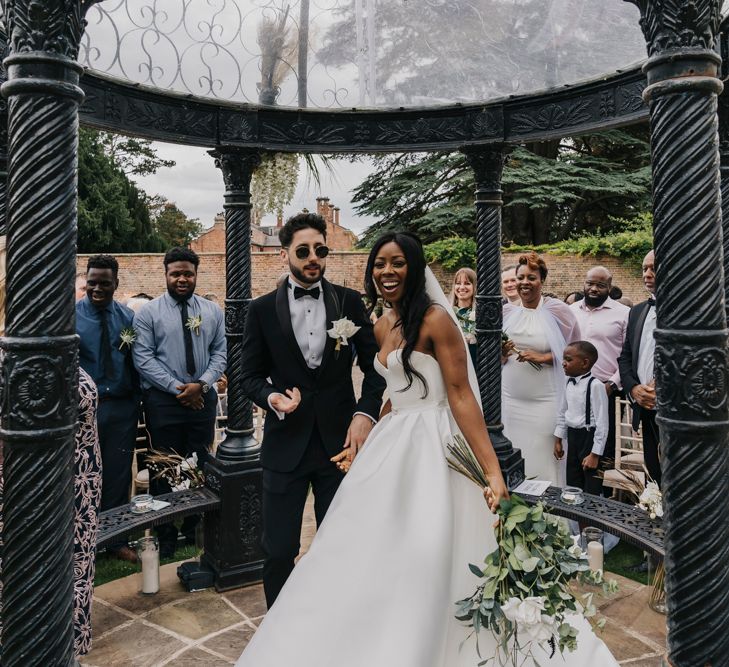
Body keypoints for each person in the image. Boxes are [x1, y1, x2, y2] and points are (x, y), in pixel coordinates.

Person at [236, 232, 617, 667]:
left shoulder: (436, 319)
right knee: (365, 550)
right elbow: (392, 390)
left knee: (429, 548)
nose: (386, 272)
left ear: (414, 267)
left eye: (396, 263)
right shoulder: (382, 324)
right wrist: (366, 429)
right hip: (390, 445)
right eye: (379, 264)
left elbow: (460, 395)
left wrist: (492, 472)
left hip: (437, 446)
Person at [240, 213, 385, 607]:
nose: (312, 258)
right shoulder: (262, 310)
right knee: (279, 549)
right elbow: (248, 376)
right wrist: (273, 399)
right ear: (284, 253)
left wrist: (365, 414)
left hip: (339, 445)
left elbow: (376, 369)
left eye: (320, 250)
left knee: (339, 543)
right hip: (284, 445)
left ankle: (333, 625)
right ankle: (279, 632)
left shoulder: (349, 302)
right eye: (303, 251)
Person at [133, 247, 226, 557]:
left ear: (196, 275)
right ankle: (165, 530)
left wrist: (201, 384)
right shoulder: (148, 313)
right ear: (166, 275)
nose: (182, 278)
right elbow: (143, 357)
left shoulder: (212, 311)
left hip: (202, 398)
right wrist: (178, 388)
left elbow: (221, 352)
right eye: (176, 274)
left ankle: (193, 523)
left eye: (188, 273)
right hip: (163, 400)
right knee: (164, 464)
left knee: (198, 460)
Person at [76, 254, 141, 563]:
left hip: (122, 407)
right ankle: (83, 541)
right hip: (85, 411)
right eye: (92, 282)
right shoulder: (70, 317)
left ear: (116, 283)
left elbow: (137, 362)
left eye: (105, 283)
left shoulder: (128, 319)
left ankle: (117, 540)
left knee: (117, 474)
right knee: (83, 475)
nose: (97, 288)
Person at [501, 252, 580, 484]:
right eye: (520, 277)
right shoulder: (507, 312)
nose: (525, 282)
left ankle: (549, 517)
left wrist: (543, 356)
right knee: (514, 454)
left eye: (531, 278)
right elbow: (498, 359)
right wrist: (503, 352)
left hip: (545, 400)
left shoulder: (559, 312)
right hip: (511, 398)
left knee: (543, 458)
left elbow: (575, 355)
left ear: (541, 281)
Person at [570, 266, 629, 493]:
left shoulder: (623, 313)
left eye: (600, 285)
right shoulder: (571, 310)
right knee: (576, 448)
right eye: (590, 283)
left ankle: (600, 503)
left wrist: (612, 384)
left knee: (603, 450)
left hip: (607, 389)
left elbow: (627, 354)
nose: (594, 288)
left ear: (609, 287)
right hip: (575, 390)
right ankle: (575, 500)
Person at [618, 250, 660, 486]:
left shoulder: (686, 311)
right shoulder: (637, 311)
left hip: (675, 409)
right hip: (644, 406)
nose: (647, 274)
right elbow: (625, 358)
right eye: (644, 268)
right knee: (653, 474)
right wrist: (634, 389)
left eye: (653, 268)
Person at [554, 341, 609, 495]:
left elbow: (602, 423)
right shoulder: (567, 383)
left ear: (585, 363)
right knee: (573, 482)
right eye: (564, 359)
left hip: (589, 438)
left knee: (591, 485)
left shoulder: (596, 385)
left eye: (569, 360)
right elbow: (563, 411)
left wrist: (595, 454)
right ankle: (577, 519)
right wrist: (558, 439)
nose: (563, 363)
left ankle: (589, 518)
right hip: (573, 437)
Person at [451, 266, 477, 365]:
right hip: (453, 363)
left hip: (476, 363)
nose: (462, 287)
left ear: (474, 287)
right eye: (458, 283)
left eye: (467, 283)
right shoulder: (447, 313)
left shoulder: (481, 314)